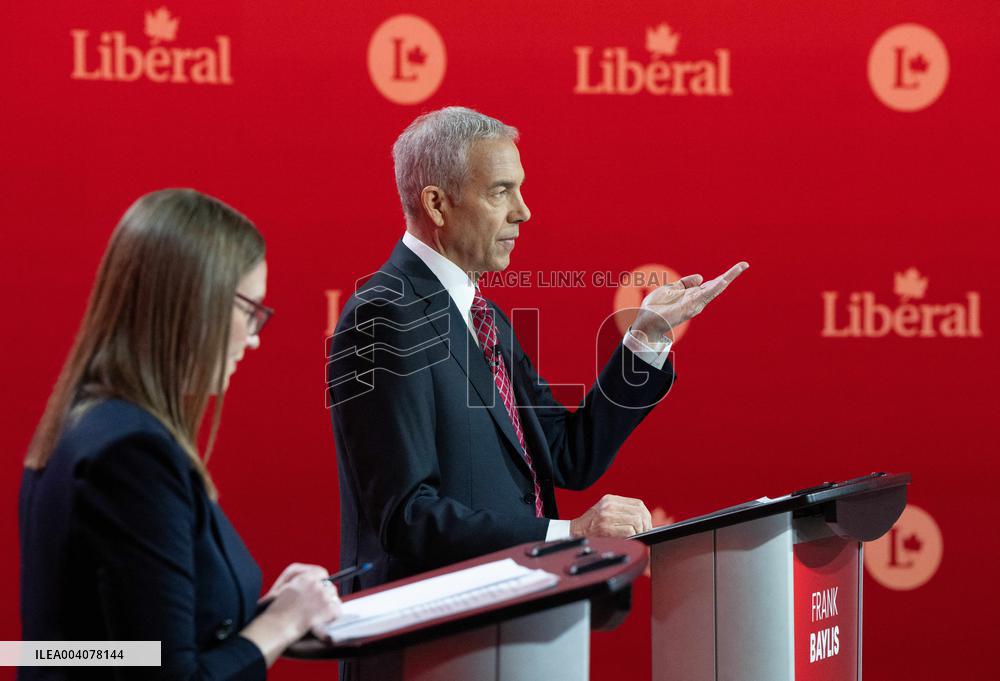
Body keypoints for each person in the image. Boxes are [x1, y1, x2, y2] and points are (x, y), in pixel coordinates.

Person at [327, 107, 748, 597]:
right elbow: (406, 517)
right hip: (431, 647)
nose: (523, 211)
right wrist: (565, 536)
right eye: (501, 191)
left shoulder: (484, 315)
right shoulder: (383, 315)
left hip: (508, 625)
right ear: (438, 205)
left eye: (519, 189)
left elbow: (568, 456)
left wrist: (647, 337)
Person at [19, 189, 341, 680]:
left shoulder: (90, 423)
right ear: (196, 302)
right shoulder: (130, 452)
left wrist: (263, 615)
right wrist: (283, 621)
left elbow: (122, 649)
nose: (255, 336)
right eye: (250, 309)